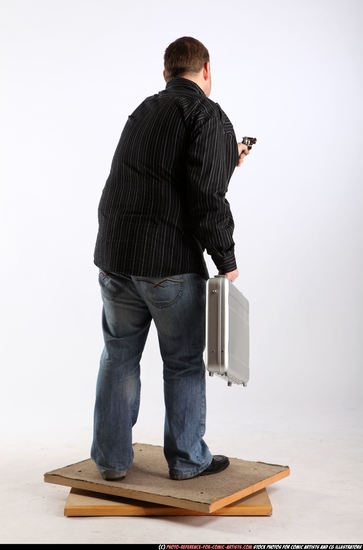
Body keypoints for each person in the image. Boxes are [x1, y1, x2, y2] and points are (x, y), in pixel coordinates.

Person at [90, 36, 251, 481]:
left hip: (116, 258)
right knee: (182, 362)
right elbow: (205, 195)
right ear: (206, 71)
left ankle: (111, 461)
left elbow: (150, 176)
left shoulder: (144, 110)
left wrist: (224, 159)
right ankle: (186, 460)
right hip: (169, 265)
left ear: (165, 74)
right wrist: (226, 258)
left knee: (118, 355)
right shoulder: (208, 115)